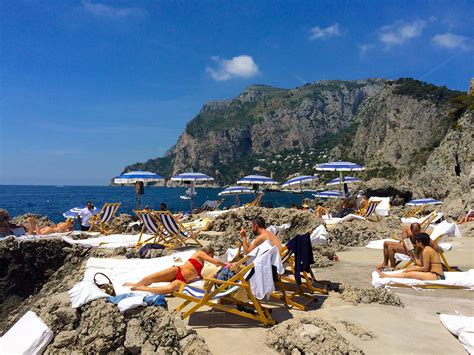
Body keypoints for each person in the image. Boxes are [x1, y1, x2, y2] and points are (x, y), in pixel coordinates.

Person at [123, 246, 227, 294]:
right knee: (152, 277)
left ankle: (142, 289)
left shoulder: (202, 264)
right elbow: (216, 262)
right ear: (209, 253)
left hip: (182, 280)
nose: (211, 258)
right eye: (211, 255)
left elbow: (201, 275)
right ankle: (135, 284)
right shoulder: (200, 254)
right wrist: (225, 265)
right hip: (177, 271)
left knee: (168, 289)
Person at [376, 233, 445, 280]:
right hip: (433, 273)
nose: (415, 243)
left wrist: (412, 269)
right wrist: (413, 257)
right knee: (412, 268)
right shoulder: (426, 249)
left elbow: (425, 268)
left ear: (420, 242)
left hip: (436, 275)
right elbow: (421, 264)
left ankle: (387, 276)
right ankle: (390, 275)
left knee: (410, 274)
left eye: (417, 241)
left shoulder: (426, 251)